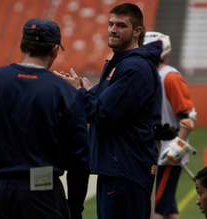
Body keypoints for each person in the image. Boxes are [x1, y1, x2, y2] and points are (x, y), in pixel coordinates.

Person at [0, 18, 90, 219]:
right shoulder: (65, 92)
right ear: (54, 49)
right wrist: (75, 209)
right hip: (44, 192)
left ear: (22, 45)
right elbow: (79, 160)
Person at [54, 3, 159, 219]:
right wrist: (85, 90)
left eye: (121, 25)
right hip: (115, 168)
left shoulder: (134, 68)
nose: (112, 30)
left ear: (137, 31)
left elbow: (104, 113)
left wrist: (78, 92)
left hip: (125, 171)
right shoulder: (120, 63)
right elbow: (103, 102)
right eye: (111, 24)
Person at [143, 32, 197, 219]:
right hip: (154, 152)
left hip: (167, 154)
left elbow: (189, 115)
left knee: (155, 208)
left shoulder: (170, 76)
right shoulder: (146, 74)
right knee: (169, 210)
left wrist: (177, 146)